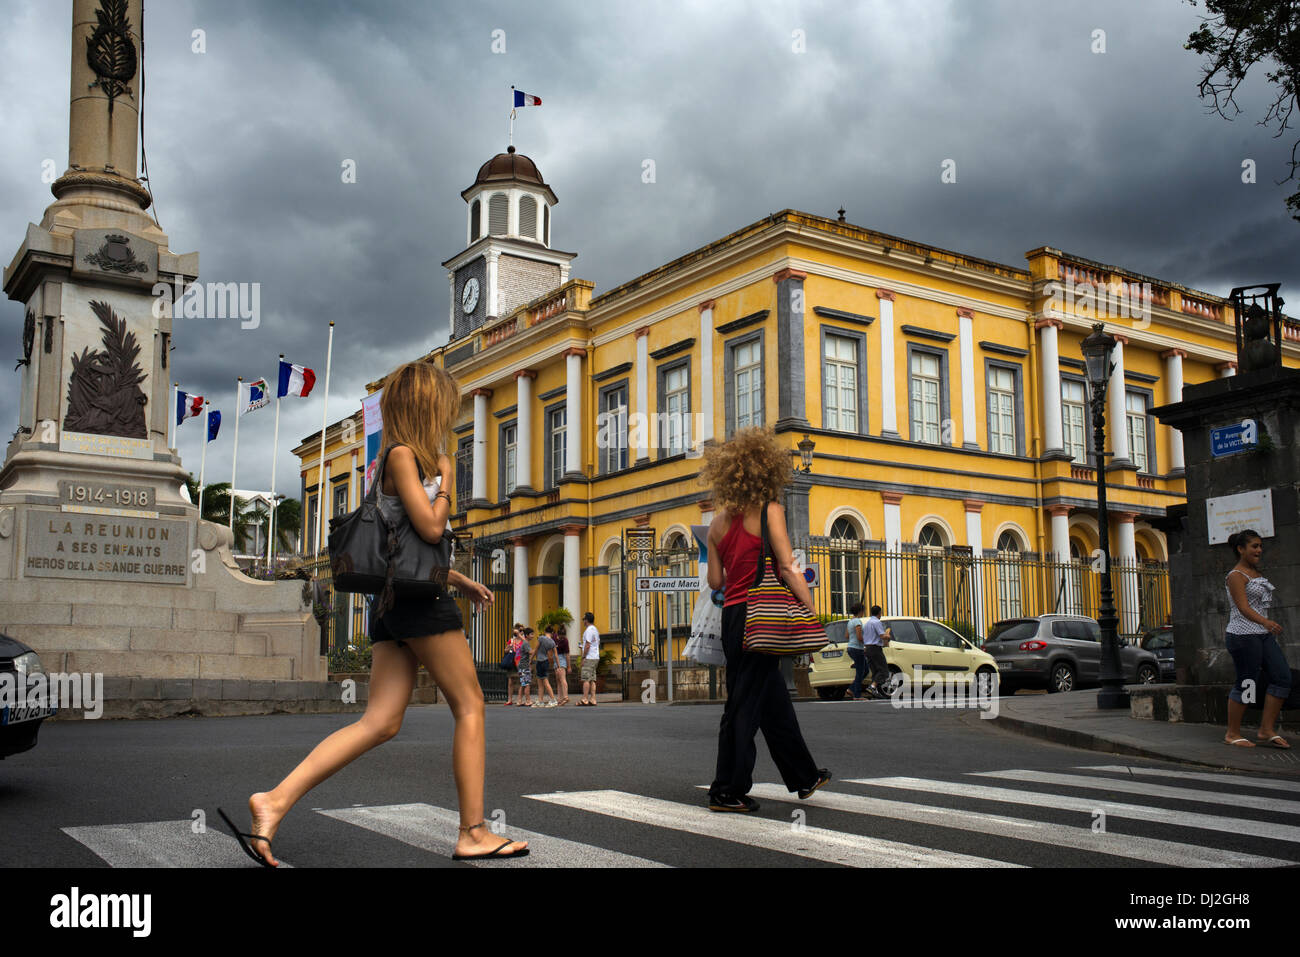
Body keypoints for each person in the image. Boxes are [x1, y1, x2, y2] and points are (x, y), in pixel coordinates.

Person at [217, 360, 528, 863]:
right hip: (420, 607)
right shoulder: (403, 457)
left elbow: (400, 548)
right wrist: (449, 479)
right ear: (427, 407)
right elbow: (431, 528)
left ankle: (274, 801)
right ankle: (473, 831)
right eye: (445, 405)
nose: (450, 415)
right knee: (471, 706)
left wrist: (459, 579)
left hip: (394, 604)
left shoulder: (398, 461)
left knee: (380, 722)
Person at [701, 427, 830, 812]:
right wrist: (809, 609)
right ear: (767, 472)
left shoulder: (716, 525)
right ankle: (726, 789)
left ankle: (804, 776)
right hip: (762, 615)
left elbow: (715, 582)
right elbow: (788, 567)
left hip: (733, 618)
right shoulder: (770, 510)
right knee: (743, 706)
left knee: (772, 702)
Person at [1223, 529, 1291, 749]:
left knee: (1282, 677)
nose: (1259, 550)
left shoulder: (1256, 573)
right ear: (1240, 549)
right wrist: (1266, 622)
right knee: (1248, 683)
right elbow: (1243, 608)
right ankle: (1232, 733)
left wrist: (1264, 626)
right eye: (1254, 546)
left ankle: (1266, 730)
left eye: (1260, 546)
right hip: (1243, 636)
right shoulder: (1236, 575)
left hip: (1262, 635)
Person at [861, 605, 893, 699]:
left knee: (875, 670)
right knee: (884, 670)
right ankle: (873, 686)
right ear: (879, 613)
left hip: (867, 648)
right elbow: (882, 636)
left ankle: (875, 690)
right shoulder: (877, 622)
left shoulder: (867, 623)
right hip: (875, 648)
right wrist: (888, 636)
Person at [845, 602, 868, 700]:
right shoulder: (858, 621)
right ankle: (857, 695)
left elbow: (846, 635)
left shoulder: (850, 622)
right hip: (857, 648)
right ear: (860, 611)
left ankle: (851, 689)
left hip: (850, 647)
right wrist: (866, 643)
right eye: (863, 611)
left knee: (865, 670)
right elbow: (859, 637)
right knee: (860, 671)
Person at [578, 612, 600, 706]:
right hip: (595, 657)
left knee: (586, 678)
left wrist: (583, 657)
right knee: (592, 679)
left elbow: (588, 645)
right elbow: (596, 643)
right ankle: (593, 698)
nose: (583, 621)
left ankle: (585, 698)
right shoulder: (595, 630)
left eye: (584, 619)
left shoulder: (588, 630)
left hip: (589, 657)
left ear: (586, 620)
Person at [534, 626, 559, 707]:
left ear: (545, 631)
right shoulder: (552, 642)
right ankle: (540, 700)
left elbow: (536, 649)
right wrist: (558, 665)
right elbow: (555, 655)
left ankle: (553, 700)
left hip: (539, 661)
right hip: (545, 661)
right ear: (552, 633)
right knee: (542, 681)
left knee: (543, 682)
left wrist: (530, 659)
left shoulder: (541, 638)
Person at [503, 626, 525, 706]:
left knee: (521, 681)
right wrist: (510, 647)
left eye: (522, 630)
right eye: (520, 630)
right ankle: (510, 699)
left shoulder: (523, 641)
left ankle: (519, 699)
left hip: (520, 661)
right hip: (512, 662)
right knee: (510, 681)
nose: (522, 632)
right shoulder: (512, 640)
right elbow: (505, 650)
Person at [517, 627, 535, 707]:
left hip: (522, 666)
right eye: (531, 634)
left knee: (523, 684)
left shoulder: (525, 642)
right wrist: (537, 648)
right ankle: (528, 700)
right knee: (527, 684)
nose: (533, 636)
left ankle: (519, 700)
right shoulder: (526, 643)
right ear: (527, 635)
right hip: (524, 666)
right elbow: (531, 652)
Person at [553, 624, 571, 705]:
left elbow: (567, 654)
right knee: (558, 680)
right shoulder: (554, 637)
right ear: (558, 634)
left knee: (562, 678)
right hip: (555, 658)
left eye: (563, 637)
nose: (562, 639)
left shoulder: (565, 641)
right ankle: (559, 698)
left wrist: (569, 666)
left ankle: (565, 697)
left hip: (561, 658)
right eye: (560, 637)